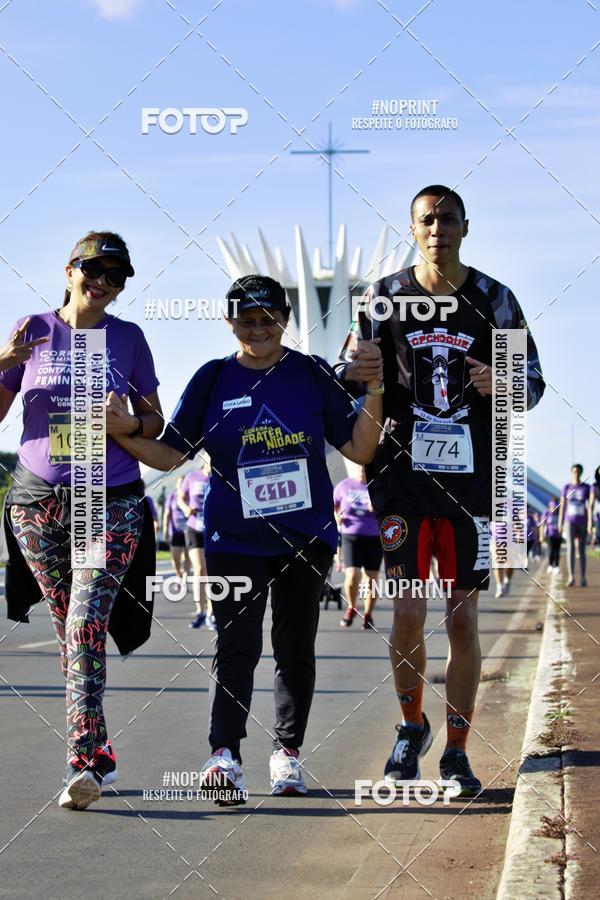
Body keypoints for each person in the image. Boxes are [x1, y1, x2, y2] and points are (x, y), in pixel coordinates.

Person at [106, 273, 383, 804]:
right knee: (235, 645)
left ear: (285, 320)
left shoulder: (310, 373)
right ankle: (224, 755)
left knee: (293, 648)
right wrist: (120, 431)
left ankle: (288, 753)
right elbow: (171, 453)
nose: (258, 330)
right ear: (230, 322)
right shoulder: (213, 379)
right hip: (233, 538)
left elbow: (361, 448)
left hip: (305, 537)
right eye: (247, 321)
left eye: (269, 320)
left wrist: (374, 388)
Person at [336, 185, 545, 796]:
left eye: (447, 219)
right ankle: (410, 726)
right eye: (426, 220)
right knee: (404, 609)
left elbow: (529, 387)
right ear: (413, 228)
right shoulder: (384, 297)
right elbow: (348, 373)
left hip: (472, 486)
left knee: (461, 618)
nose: (437, 230)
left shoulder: (494, 300)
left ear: (465, 227)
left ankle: (456, 749)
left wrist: (499, 380)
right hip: (401, 480)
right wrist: (354, 373)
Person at [0, 231, 162, 810]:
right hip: (37, 498)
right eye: (94, 270)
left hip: (109, 498)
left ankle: (83, 760)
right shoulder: (33, 329)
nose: (104, 283)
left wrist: (127, 423)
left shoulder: (130, 339)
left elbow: (156, 423)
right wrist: (4, 364)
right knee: (70, 626)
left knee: (85, 623)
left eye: (116, 277)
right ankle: (100, 747)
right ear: (70, 269)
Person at [334, 464, 382, 630]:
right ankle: (352, 607)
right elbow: (333, 506)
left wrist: (378, 509)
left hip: (374, 537)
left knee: (371, 579)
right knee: (353, 575)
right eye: (359, 469)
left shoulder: (378, 485)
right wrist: (336, 516)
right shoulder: (344, 486)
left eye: (365, 469)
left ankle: (368, 614)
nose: (362, 471)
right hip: (351, 535)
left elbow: (390, 508)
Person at [179, 462, 213, 629]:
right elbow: (181, 497)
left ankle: (211, 613)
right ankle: (200, 610)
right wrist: (186, 508)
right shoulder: (192, 477)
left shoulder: (220, 475)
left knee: (212, 570)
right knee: (200, 569)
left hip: (213, 528)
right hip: (194, 527)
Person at [558, 464, 592, 587]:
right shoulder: (566, 487)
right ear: (571, 472)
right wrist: (560, 523)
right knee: (571, 548)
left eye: (578, 471)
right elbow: (562, 506)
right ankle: (571, 576)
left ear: (581, 473)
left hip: (582, 521)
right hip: (569, 521)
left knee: (582, 550)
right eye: (574, 471)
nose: (576, 473)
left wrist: (590, 523)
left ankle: (583, 577)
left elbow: (590, 506)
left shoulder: (586, 487)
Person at [163, 475, 191, 585]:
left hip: (189, 530)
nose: (181, 485)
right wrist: (165, 530)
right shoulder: (172, 497)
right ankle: (178, 575)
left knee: (188, 555)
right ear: (176, 484)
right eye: (179, 483)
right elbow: (167, 514)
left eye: (183, 483)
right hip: (175, 531)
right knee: (175, 557)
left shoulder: (189, 496)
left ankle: (184, 578)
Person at [490, 520, 513, 598]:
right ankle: (499, 587)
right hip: (495, 538)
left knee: (510, 563)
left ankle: (508, 580)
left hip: (511, 539)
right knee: (498, 562)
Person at [541, 496, 561, 573]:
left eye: (555, 507)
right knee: (551, 550)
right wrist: (541, 536)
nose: (554, 509)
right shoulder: (546, 513)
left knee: (557, 551)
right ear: (550, 505)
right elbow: (542, 525)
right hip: (550, 535)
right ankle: (550, 565)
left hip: (558, 535)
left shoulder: (560, 513)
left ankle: (556, 566)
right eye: (552, 507)